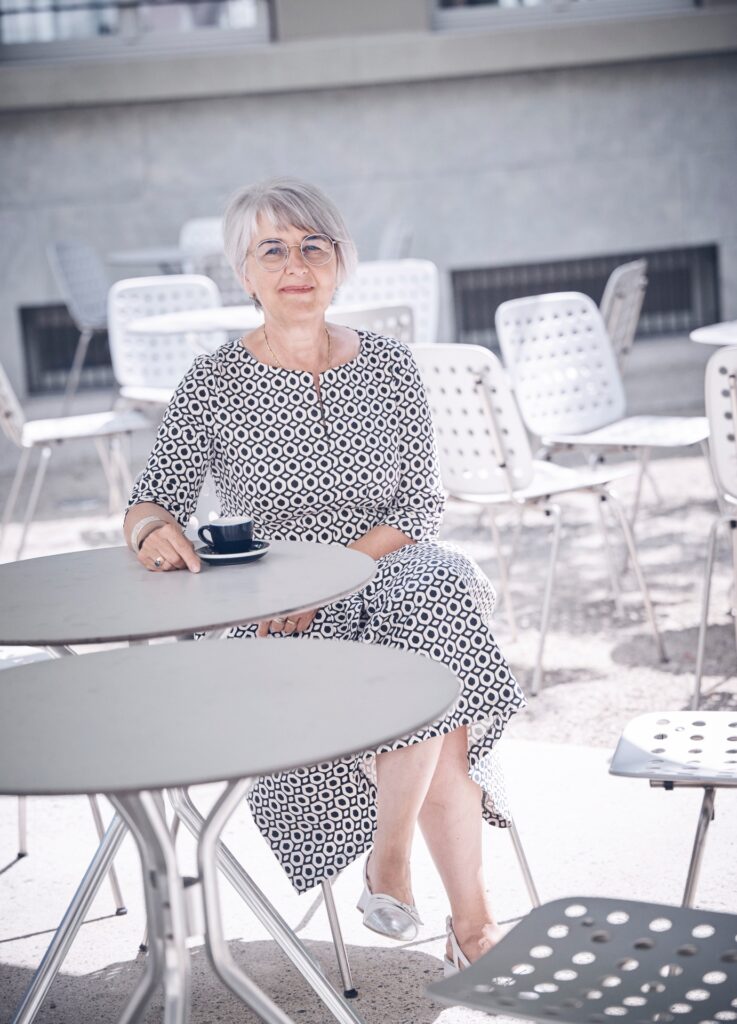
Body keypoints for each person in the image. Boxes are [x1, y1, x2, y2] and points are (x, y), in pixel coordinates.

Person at [123, 177, 526, 971]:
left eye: (313, 246)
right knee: (439, 696)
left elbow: (419, 502)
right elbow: (151, 499)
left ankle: (392, 860)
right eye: (272, 249)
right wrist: (150, 533)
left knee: (434, 593)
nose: (295, 264)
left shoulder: (390, 365)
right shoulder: (213, 380)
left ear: (340, 263)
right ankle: (471, 929)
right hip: (274, 609)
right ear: (243, 272)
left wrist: (337, 574)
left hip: (386, 573)